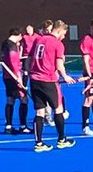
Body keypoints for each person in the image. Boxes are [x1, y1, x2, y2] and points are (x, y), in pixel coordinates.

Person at [28, 19, 77, 151]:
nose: (64, 37)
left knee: (39, 112)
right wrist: (65, 76)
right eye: (64, 34)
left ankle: (38, 143)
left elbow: (29, 58)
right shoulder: (57, 44)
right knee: (59, 109)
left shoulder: (38, 39)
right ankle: (62, 139)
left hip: (34, 79)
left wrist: (28, 73)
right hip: (48, 80)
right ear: (60, 30)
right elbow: (59, 65)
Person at [0, 28, 28, 134]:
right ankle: (23, 126)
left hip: (7, 76)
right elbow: (12, 61)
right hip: (14, 77)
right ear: (19, 35)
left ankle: (8, 126)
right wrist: (19, 77)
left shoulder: (5, 43)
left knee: (10, 99)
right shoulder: (12, 45)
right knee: (23, 99)